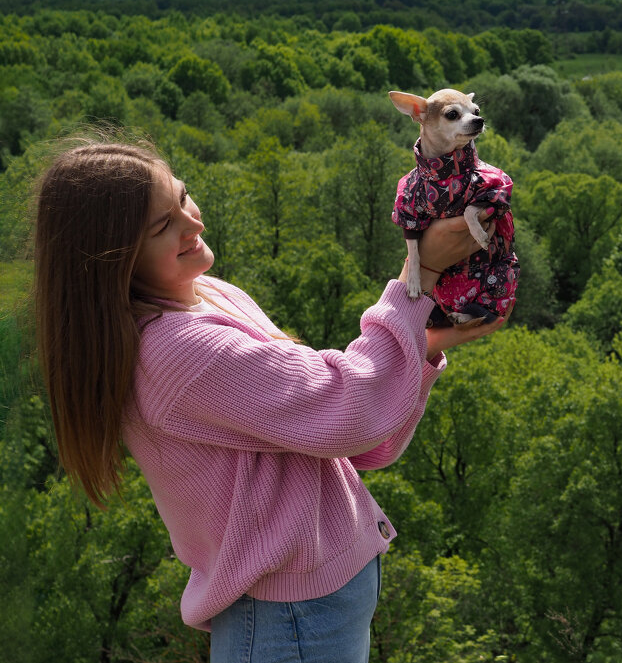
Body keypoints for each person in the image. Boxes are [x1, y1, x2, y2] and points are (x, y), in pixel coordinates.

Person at [33, 139, 507, 662]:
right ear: (111, 258)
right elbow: (347, 405)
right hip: (291, 622)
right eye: (162, 226)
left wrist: (424, 344)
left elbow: (338, 437)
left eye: (183, 199)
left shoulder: (209, 294)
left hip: (309, 610)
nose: (194, 225)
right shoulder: (176, 350)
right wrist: (418, 277)